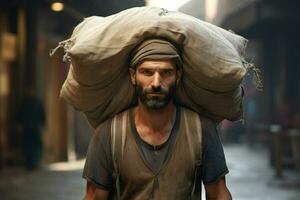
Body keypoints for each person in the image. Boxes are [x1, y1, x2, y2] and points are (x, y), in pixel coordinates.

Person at [82, 39, 232, 199]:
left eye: (166, 73)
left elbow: (218, 194)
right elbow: (94, 196)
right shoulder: (108, 134)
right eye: (147, 72)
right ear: (133, 76)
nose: (156, 83)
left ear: (178, 76)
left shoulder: (201, 130)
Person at [16, 86, 46, 170]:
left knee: (34, 145)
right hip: (27, 128)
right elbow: (19, 115)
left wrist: (42, 125)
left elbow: (42, 115)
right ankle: (29, 163)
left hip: (34, 128)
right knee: (28, 146)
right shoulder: (24, 103)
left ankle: (33, 163)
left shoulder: (36, 103)